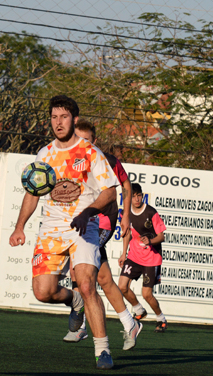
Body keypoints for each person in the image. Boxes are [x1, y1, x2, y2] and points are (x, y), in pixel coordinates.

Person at [9, 95, 118, 370]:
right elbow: (33, 194)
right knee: (42, 292)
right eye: (54, 117)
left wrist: (88, 212)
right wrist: (19, 226)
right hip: (52, 229)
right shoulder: (44, 154)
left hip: (84, 227)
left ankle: (102, 349)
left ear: (75, 119)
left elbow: (110, 192)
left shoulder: (90, 152)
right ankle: (74, 301)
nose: (58, 122)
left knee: (86, 283)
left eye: (64, 117)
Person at [62, 119, 142, 350]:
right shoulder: (72, 160)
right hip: (84, 223)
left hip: (103, 223)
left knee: (83, 275)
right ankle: (129, 323)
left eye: (86, 139)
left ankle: (83, 327)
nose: (81, 143)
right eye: (77, 139)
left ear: (94, 141)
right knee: (103, 278)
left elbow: (125, 184)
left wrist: (126, 215)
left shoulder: (106, 160)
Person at [118, 183, 168, 332]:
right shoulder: (125, 213)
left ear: (142, 195)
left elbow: (162, 236)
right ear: (128, 198)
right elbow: (127, 234)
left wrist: (150, 241)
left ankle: (161, 319)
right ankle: (139, 310)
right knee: (122, 287)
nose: (137, 199)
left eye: (139, 195)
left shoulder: (151, 212)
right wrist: (123, 253)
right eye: (133, 196)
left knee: (146, 294)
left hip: (151, 258)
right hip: (134, 256)